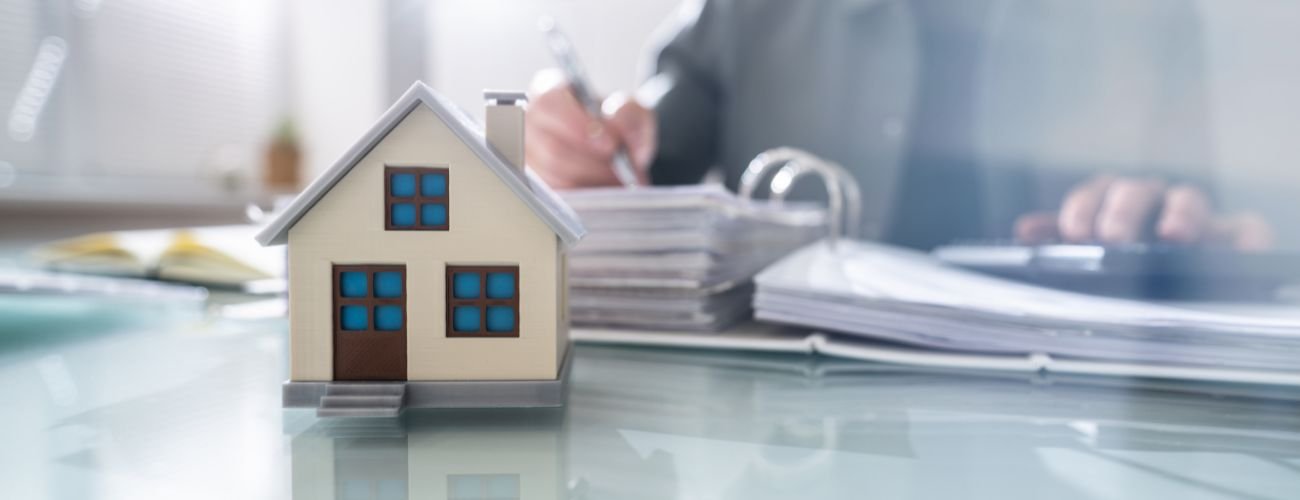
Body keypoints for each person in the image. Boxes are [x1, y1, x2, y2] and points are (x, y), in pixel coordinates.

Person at [525, 0, 1273, 250]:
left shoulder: (1142, 19)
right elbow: (644, 150)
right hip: (797, 435)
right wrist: (575, 145)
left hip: (1068, 429)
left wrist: (1196, 230)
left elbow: (1216, 213)